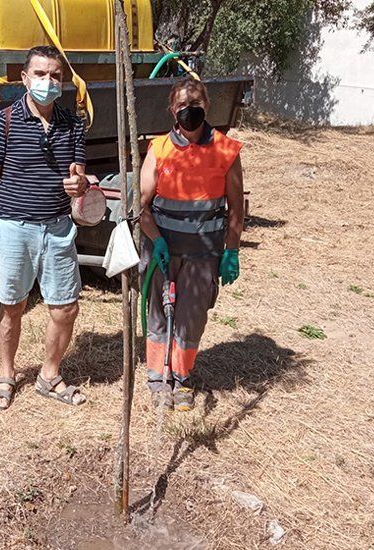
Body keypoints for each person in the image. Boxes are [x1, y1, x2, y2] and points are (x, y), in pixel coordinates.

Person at [0, 46, 90, 411]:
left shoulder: (73, 125)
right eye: (40, 74)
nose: (47, 82)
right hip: (13, 229)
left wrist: (80, 186)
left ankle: (49, 375)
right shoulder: (3, 123)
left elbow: (79, 176)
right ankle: (7, 375)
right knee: (12, 306)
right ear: (24, 79)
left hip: (57, 228)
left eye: (55, 75)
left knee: (65, 308)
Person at [139, 77, 245, 412]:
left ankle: (182, 379)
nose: (190, 110)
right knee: (158, 314)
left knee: (192, 317)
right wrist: (156, 241)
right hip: (162, 252)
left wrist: (230, 250)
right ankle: (158, 378)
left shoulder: (227, 150)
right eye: (183, 105)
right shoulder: (159, 149)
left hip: (203, 253)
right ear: (172, 109)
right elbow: (140, 206)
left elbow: (237, 207)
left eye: (196, 103)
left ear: (207, 106)